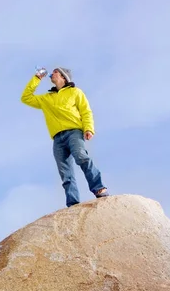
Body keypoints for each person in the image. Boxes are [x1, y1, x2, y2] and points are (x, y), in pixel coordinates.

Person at [21, 67, 109, 207]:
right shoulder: (46, 98)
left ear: (63, 77)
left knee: (81, 157)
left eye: (55, 72)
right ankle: (73, 202)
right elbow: (26, 97)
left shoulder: (75, 92)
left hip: (74, 132)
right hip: (57, 138)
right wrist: (37, 78)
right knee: (65, 172)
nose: (52, 74)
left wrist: (88, 129)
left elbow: (86, 111)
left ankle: (99, 188)